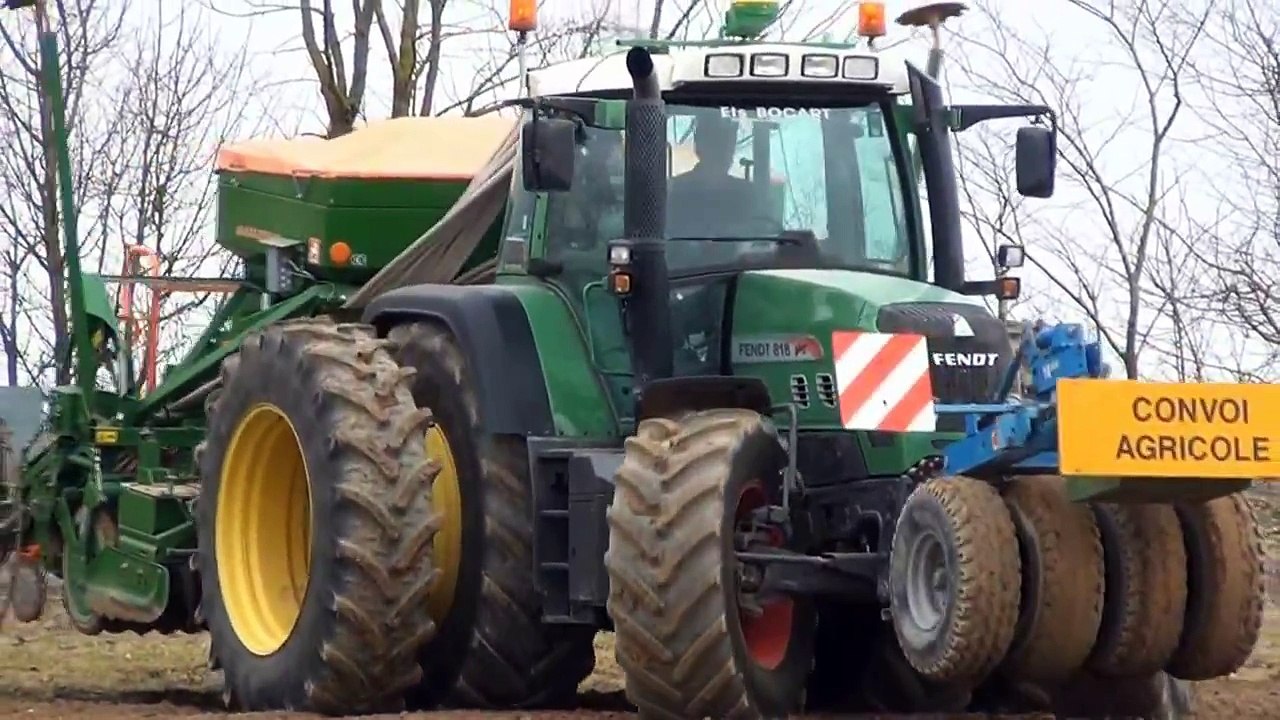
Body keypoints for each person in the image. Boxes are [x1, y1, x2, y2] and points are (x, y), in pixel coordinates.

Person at [667, 115, 756, 237]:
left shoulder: (748, 195)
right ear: (699, 146)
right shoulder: (674, 192)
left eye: (729, 144)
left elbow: (763, 236)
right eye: (717, 144)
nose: (725, 152)